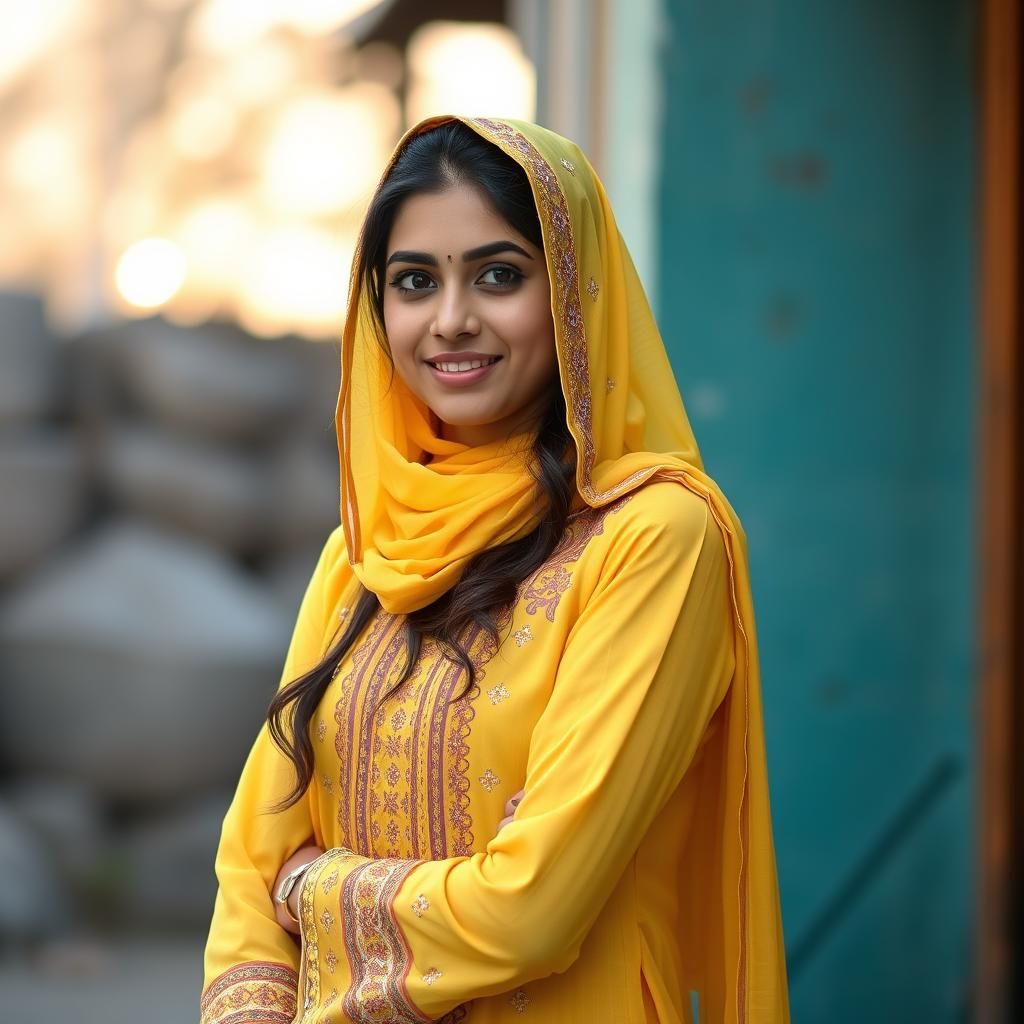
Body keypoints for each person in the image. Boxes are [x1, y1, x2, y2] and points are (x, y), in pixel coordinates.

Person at [200, 115, 790, 1024]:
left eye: (499, 275)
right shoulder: (364, 552)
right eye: (413, 282)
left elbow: (533, 911)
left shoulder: (654, 539)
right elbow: (252, 862)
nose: (450, 321)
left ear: (574, 294)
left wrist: (315, 892)